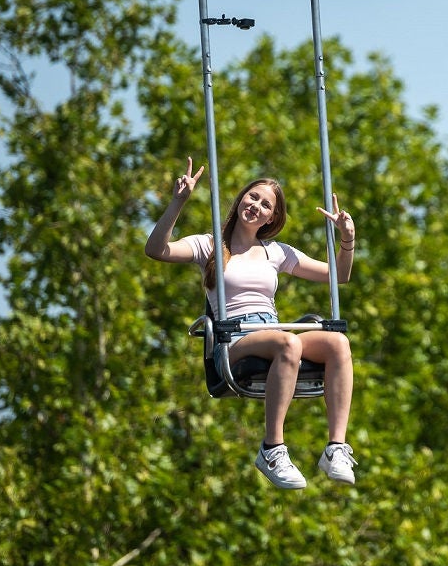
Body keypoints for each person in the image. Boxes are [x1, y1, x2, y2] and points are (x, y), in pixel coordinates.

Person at [145, 157, 357, 489]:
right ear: (241, 198)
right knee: (288, 342)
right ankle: (272, 448)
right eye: (252, 197)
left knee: (338, 343)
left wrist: (346, 239)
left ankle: (336, 447)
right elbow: (157, 250)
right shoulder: (211, 244)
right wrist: (178, 202)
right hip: (233, 340)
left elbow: (338, 276)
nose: (256, 206)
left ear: (273, 217)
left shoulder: (275, 252)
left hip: (270, 331)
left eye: (265, 204)